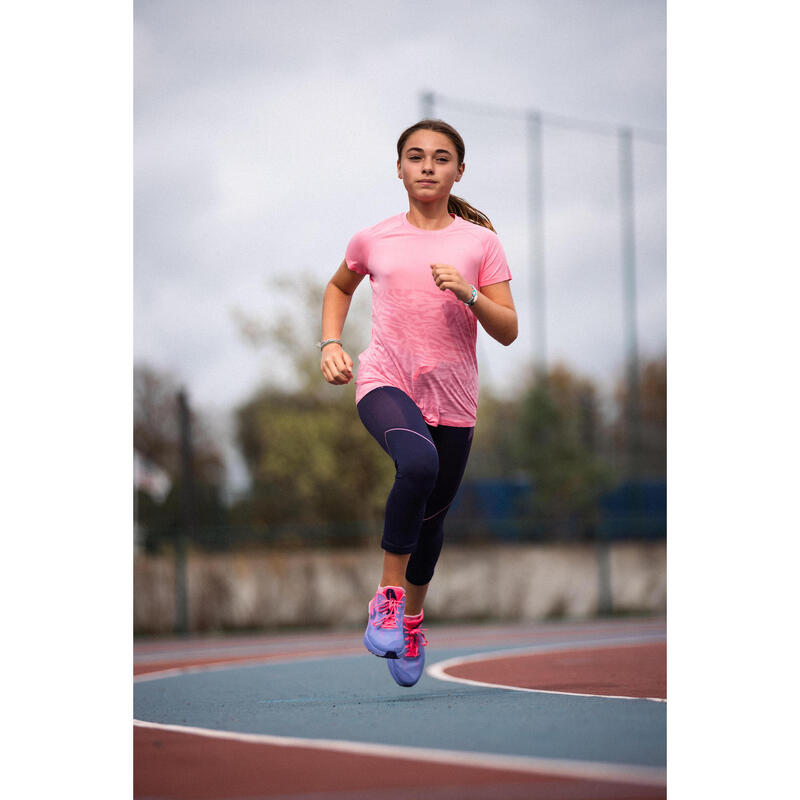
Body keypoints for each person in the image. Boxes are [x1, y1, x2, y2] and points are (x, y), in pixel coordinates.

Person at [319, 119, 518, 687]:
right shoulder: (373, 239)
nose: (427, 166)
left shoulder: (482, 245)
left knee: (431, 526)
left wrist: (470, 293)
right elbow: (339, 287)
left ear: (459, 170)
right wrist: (332, 342)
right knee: (418, 464)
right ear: (400, 168)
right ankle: (386, 598)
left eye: (440, 157)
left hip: (453, 400)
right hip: (386, 380)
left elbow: (508, 330)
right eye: (415, 156)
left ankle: (411, 619)